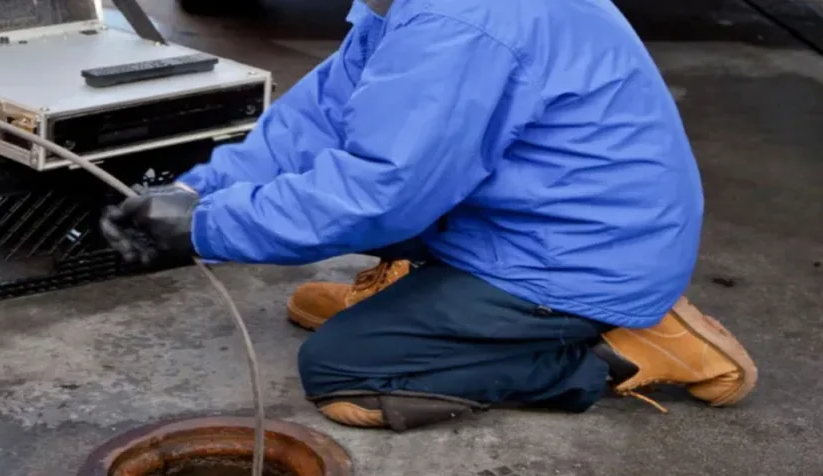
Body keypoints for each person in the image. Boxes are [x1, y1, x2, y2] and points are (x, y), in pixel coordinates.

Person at [101, 0, 758, 431]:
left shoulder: (463, 22)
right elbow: (317, 121)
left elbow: (381, 193)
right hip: (550, 219)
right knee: (365, 179)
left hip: (581, 256)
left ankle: (609, 352)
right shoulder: (410, 5)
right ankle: (441, 309)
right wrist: (198, 195)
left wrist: (207, 229)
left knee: (343, 372)